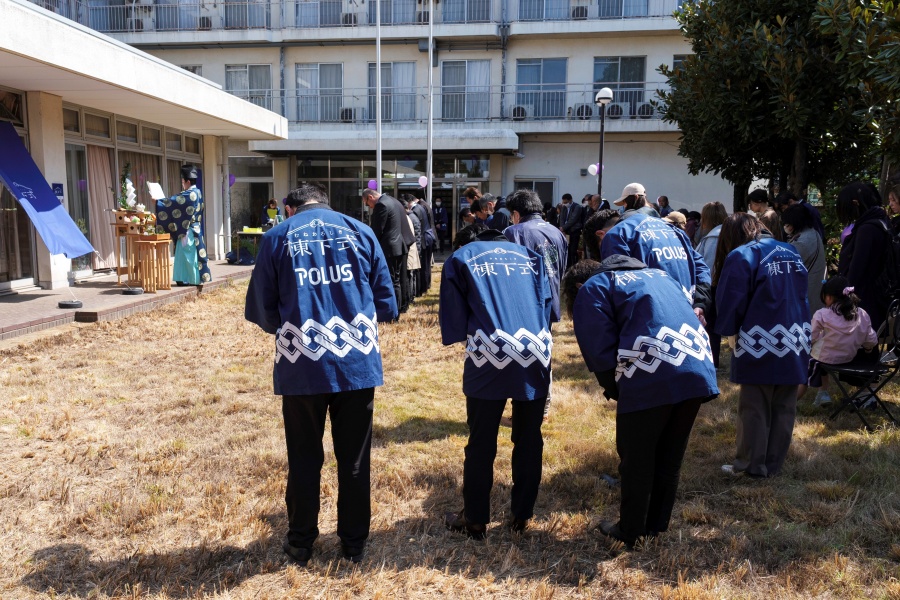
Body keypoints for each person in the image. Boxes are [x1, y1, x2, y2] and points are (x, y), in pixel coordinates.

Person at [244, 184, 398, 567]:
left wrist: (293, 325)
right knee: (355, 457)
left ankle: (300, 542)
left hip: (302, 364)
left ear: (290, 208)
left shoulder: (278, 237)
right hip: (356, 363)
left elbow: (262, 309)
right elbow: (385, 302)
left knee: (303, 456)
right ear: (326, 203)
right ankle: (354, 544)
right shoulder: (361, 232)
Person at [567, 255, 718, 549]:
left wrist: (617, 389)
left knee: (636, 457)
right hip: (696, 366)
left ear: (577, 286)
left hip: (650, 372)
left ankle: (631, 530)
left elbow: (599, 348)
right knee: (669, 456)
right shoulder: (661, 276)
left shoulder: (595, 286)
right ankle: (656, 526)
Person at [440, 229, 552, 538]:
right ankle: (522, 515)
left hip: (490, 352)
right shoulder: (533, 258)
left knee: (481, 440)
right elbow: (548, 309)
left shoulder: (462, 257)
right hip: (535, 349)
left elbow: (455, 320)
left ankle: (475, 519)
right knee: (529, 438)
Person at [714, 213, 810, 479]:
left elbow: (731, 299)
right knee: (784, 405)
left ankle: (751, 466)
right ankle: (773, 464)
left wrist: (728, 329)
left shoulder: (743, 255)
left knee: (755, 406)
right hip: (795, 336)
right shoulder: (790, 251)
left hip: (760, 338)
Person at [600, 186, 712, 329]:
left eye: (625, 203)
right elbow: (702, 269)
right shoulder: (676, 231)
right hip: (687, 318)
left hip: (649, 324)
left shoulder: (619, 233)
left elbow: (618, 286)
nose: (623, 208)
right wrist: (700, 304)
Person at [504, 188, 568, 422]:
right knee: (543, 352)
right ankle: (543, 407)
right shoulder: (556, 232)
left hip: (522, 303)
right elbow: (561, 268)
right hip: (549, 302)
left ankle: (522, 408)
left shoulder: (513, 232)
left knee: (518, 354)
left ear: (516, 214)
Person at [798, 276, 877, 407]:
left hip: (825, 358)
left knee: (812, 359)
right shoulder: (861, 314)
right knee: (822, 353)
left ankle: (811, 395)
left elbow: (810, 338)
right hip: (848, 358)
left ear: (829, 297)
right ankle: (822, 394)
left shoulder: (822, 314)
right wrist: (868, 349)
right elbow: (871, 340)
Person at [837, 181, 891, 330]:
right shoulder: (882, 221)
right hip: (879, 297)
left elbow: (856, 270)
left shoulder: (866, 230)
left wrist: (844, 297)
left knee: (863, 341)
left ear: (856, 204)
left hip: (864, 302)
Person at [363, 188, 416, 315]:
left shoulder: (381, 204)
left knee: (392, 280)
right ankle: (400, 306)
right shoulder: (392, 200)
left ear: (370, 197)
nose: (369, 207)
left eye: (367, 203)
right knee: (398, 279)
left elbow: (376, 230)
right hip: (400, 245)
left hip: (390, 248)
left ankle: (393, 311)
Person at [156, 164, 211, 286]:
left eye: (183, 182)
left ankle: (191, 279)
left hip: (189, 230)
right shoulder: (197, 192)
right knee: (185, 255)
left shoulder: (191, 194)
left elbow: (174, 202)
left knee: (189, 256)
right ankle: (184, 278)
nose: (182, 184)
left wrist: (159, 201)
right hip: (193, 229)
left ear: (187, 181)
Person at [694, 202, 728, 367]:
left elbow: (708, 266)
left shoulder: (714, 237)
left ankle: (712, 362)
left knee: (711, 326)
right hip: (723, 285)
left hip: (713, 286)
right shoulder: (726, 233)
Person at [782, 204, 826, 315]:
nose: (785, 226)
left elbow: (785, 265)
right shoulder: (812, 232)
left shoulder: (802, 242)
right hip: (816, 292)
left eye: (787, 224)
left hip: (806, 295)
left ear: (795, 223)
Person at [559, 193, 584, 269]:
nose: (564, 204)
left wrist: (563, 227)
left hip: (574, 231)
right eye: (563, 202)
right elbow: (561, 218)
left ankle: (574, 266)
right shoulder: (564, 207)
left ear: (570, 200)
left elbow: (573, 219)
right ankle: (567, 266)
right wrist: (562, 228)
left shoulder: (577, 207)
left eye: (566, 202)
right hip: (566, 232)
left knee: (573, 250)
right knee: (567, 250)